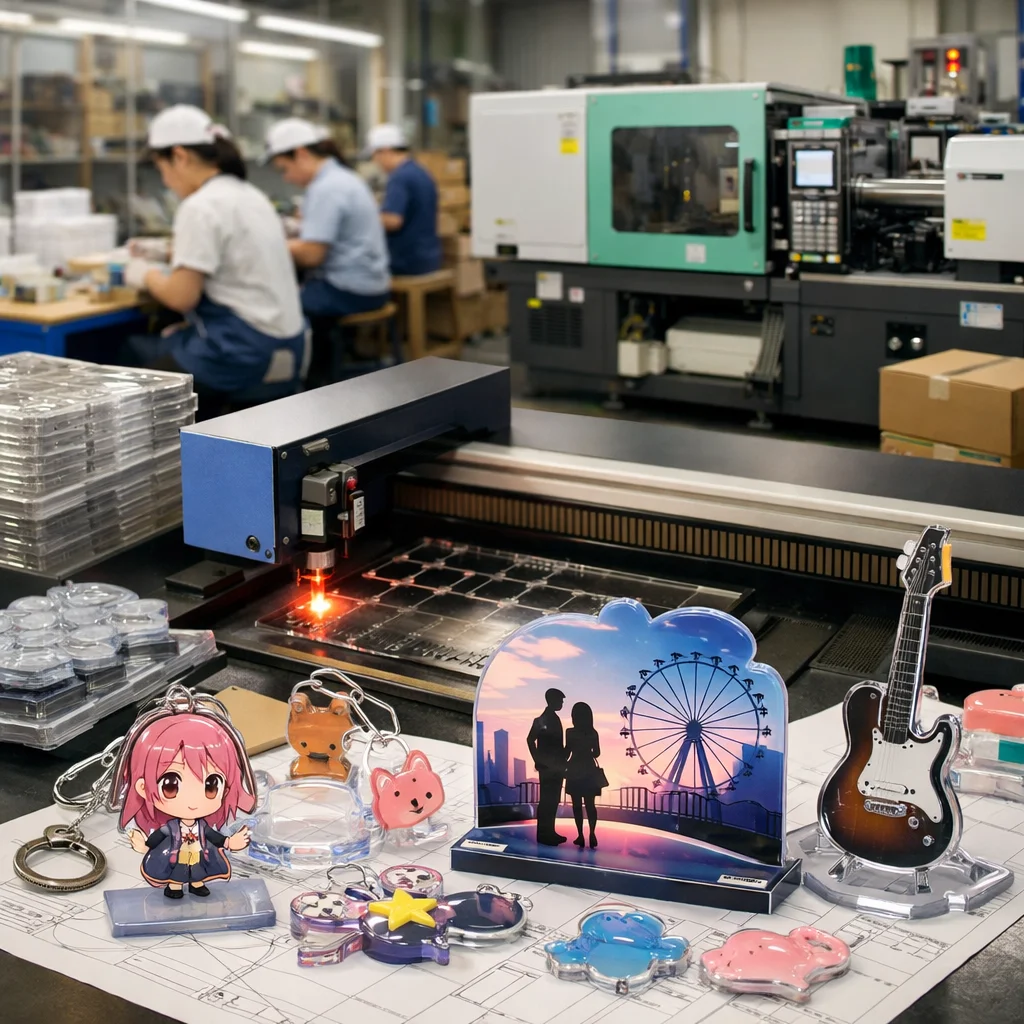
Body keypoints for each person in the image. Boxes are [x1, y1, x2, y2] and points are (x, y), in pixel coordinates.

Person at [123, 105, 306, 414]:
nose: (165, 181)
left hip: (242, 354)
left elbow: (181, 297)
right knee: (171, 339)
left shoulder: (200, 206)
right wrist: (166, 253)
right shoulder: (250, 194)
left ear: (179, 156)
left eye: (161, 169)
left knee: (128, 358)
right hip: (288, 345)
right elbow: (234, 253)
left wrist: (143, 273)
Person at [265, 118, 390, 381]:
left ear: (301, 154)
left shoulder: (327, 188)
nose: (287, 178)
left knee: (276, 305)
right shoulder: (342, 178)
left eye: (285, 169)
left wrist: (269, 245)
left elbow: (312, 254)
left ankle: (311, 382)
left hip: (349, 289)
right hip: (371, 282)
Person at [120, 712, 255, 899]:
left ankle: (196, 885)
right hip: (177, 856)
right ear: (143, 788)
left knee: (198, 870)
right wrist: (145, 846)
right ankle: (174, 887)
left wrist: (229, 843)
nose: (192, 801)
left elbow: (214, 836)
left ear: (225, 790)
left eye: (211, 786)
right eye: (170, 786)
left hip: (199, 854)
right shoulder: (170, 827)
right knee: (177, 871)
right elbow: (157, 838)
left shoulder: (202, 826)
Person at [367, 123, 442, 277]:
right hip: (429, 257)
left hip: (406, 261)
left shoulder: (399, 178)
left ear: (386, 151)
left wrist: (364, 216)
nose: (375, 162)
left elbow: (392, 220)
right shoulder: (420, 171)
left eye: (375, 156)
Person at [526, 688, 567, 846]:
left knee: (553, 800)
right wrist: (538, 760)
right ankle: (544, 834)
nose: (562, 703)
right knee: (547, 800)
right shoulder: (541, 720)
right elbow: (530, 740)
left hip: (556, 767)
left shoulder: (553, 719)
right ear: (552, 700)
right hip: (549, 767)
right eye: (560, 700)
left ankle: (550, 831)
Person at [563, 702, 605, 850]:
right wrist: (588, 751)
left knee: (577, 806)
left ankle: (580, 835)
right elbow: (597, 753)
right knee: (590, 805)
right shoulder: (593, 733)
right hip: (589, 770)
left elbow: (567, 751)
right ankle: (592, 834)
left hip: (574, 769)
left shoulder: (570, 732)